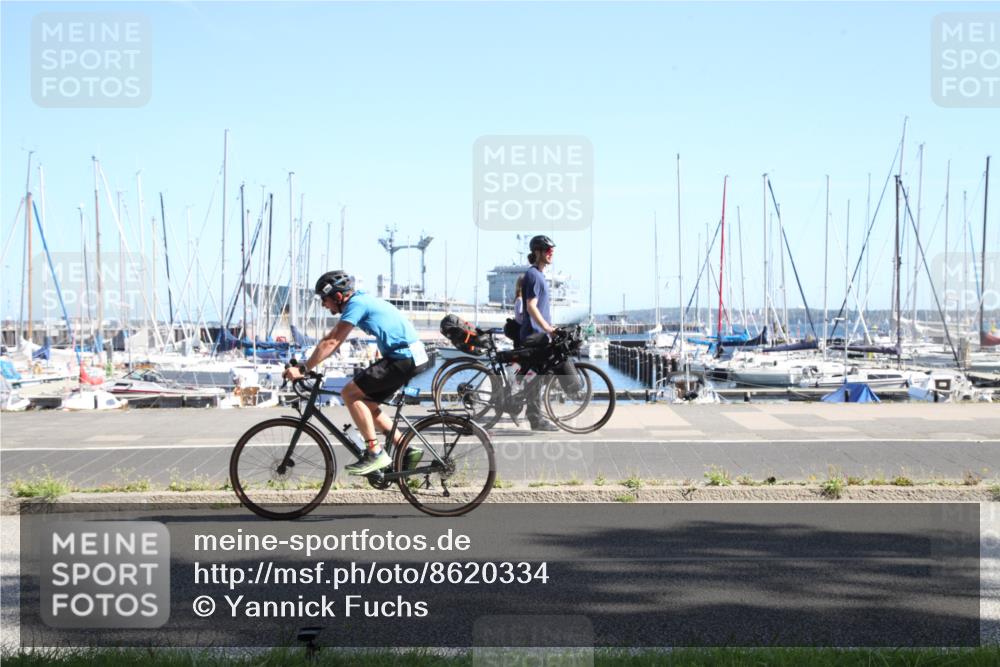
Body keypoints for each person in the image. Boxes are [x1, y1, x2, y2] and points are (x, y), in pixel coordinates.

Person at [284, 270, 430, 474]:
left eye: (324, 299)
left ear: (337, 296)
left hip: (403, 357)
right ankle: (406, 448)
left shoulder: (356, 304)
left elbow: (333, 341)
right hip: (411, 356)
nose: (323, 305)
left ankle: (375, 453)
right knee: (367, 403)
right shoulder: (362, 301)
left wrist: (303, 368)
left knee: (349, 394)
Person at [519, 235, 559, 432]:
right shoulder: (534, 275)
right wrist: (547, 328)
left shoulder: (540, 276)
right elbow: (531, 306)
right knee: (537, 375)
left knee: (536, 373)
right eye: (547, 250)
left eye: (552, 250)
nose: (551, 253)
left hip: (538, 333)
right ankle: (535, 418)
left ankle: (525, 396)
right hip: (534, 334)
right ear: (538, 252)